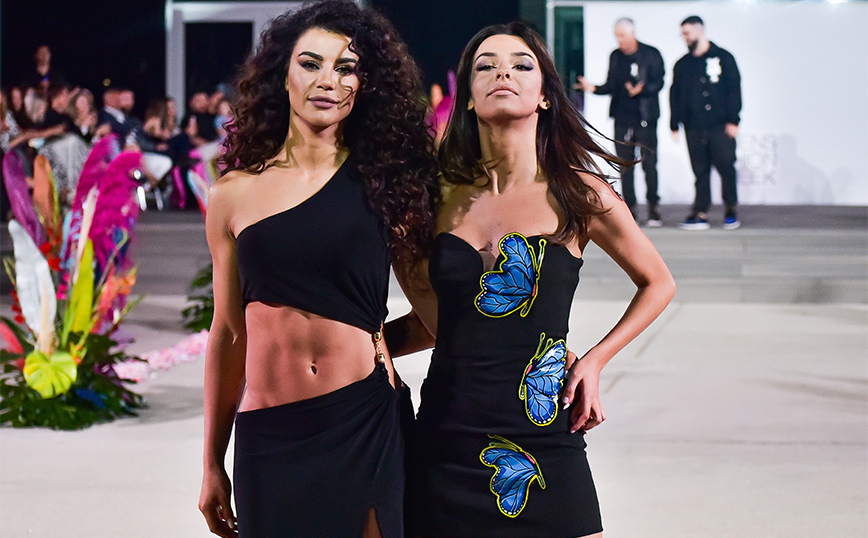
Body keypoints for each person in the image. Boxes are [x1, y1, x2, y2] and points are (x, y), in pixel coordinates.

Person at [387, 22, 676, 538]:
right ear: (468, 96)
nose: (503, 72)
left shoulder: (579, 191)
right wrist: (356, 346)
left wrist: (594, 361)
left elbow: (658, 282)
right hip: (447, 436)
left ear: (544, 95)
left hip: (545, 435)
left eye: (522, 65)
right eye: (486, 66)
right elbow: (436, 323)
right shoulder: (431, 198)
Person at [197, 1, 439, 537]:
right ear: (281, 73)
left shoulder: (386, 181)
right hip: (269, 436)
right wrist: (212, 461)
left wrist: (374, 342)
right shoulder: (232, 194)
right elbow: (228, 333)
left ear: (364, 84)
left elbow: (435, 314)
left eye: (346, 68)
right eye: (311, 63)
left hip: (366, 421)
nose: (328, 80)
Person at [577, 17, 665, 227]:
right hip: (622, 118)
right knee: (625, 166)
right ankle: (630, 209)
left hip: (645, 118)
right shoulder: (616, 56)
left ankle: (653, 208)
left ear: (633, 33)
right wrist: (594, 88)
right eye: (617, 36)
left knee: (649, 164)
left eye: (623, 35)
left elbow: (659, 82)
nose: (619, 40)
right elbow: (611, 85)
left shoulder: (650, 54)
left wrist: (642, 89)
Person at [670, 15, 742, 230]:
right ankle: (700, 211)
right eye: (683, 34)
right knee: (700, 171)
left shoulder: (724, 58)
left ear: (699, 31)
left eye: (687, 33)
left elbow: (734, 89)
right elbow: (675, 95)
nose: (685, 37)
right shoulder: (683, 64)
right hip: (693, 126)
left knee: (726, 166)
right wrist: (674, 123)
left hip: (720, 125)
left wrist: (734, 120)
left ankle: (731, 210)